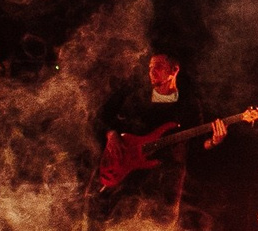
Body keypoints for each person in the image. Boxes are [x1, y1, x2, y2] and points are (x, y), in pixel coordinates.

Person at [95, 49, 226, 218]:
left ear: (174, 70)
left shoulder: (188, 104)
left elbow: (197, 145)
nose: (151, 72)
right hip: (127, 177)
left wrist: (214, 141)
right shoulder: (138, 97)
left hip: (164, 182)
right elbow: (103, 116)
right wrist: (111, 134)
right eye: (150, 67)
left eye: (158, 66)